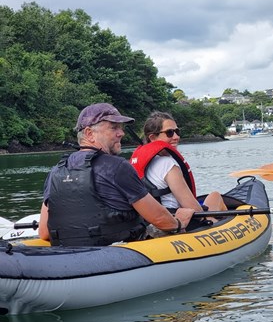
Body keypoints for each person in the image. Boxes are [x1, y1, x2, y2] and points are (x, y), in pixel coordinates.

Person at [38, 103, 195, 246]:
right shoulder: (118, 167)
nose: (121, 133)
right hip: (119, 252)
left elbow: (44, 232)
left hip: (72, 252)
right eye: (113, 128)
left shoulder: (56, 171)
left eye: (121, 128)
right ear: (89, 133)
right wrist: (179, 222)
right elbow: (160, 219)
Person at [130, 111, 227, 231]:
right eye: (169, 133)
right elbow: (193, 208)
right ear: (153, 137)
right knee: (215, 196)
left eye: (177, 131)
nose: (176, 137)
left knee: (214, 196)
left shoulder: (139, 162)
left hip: (153, 221)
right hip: (178, 221)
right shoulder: (168, 164)